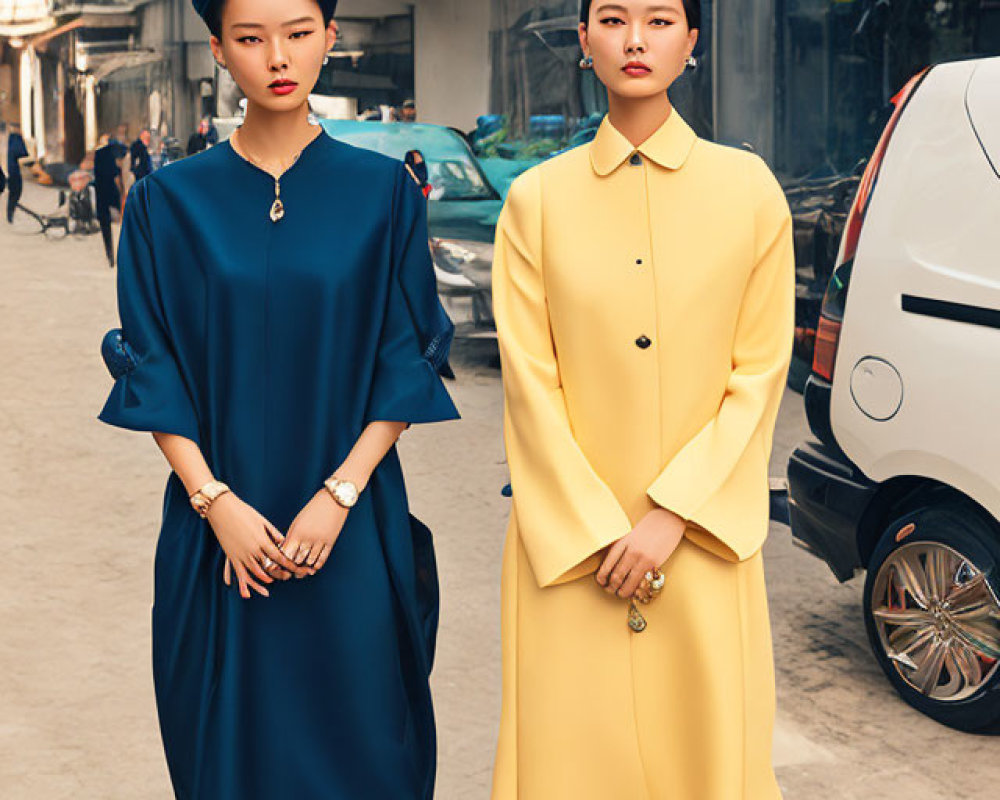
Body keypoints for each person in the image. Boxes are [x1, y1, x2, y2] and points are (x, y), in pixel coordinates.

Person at [97, 0, 458, 797]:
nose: (278, 56)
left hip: (349, 531)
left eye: (298, 33)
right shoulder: (168, 203)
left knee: (368, 755)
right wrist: (214, 501)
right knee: (228, 764)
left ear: (330, 38)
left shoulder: (386, 194)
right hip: (217, 544)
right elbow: (153, 370)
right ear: (220, 50)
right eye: (252, 39)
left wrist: (340, 494)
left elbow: (405, 360)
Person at [491, 1, 793, 798]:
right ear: (583, 39)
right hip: (570, 555)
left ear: (693, 41)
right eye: (613, 18)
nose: (634, 40)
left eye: (659, 20)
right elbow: (530, 384)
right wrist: (597, 530)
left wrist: (670, 516)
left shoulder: (749, 191)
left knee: (709, 758)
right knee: (568, 765)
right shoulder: (536, 201)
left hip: (702, 545)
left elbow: (758, 376)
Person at [93, 133, 127, 267]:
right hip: (112, 192)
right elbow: (116, 178)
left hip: (100, 191)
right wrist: (122, 192)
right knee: (122, 223)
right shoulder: (113, 154)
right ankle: (119, 255)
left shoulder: (99, 154)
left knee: (105, 225)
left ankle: (110, 255)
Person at [6, 125, 29, 223]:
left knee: (14, 193)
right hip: (12, 171)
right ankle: (10, 214)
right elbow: (22, 153)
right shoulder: (15, 138)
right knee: (15, 191)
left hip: (9, 170)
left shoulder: (12, 138)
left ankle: (10, 213)